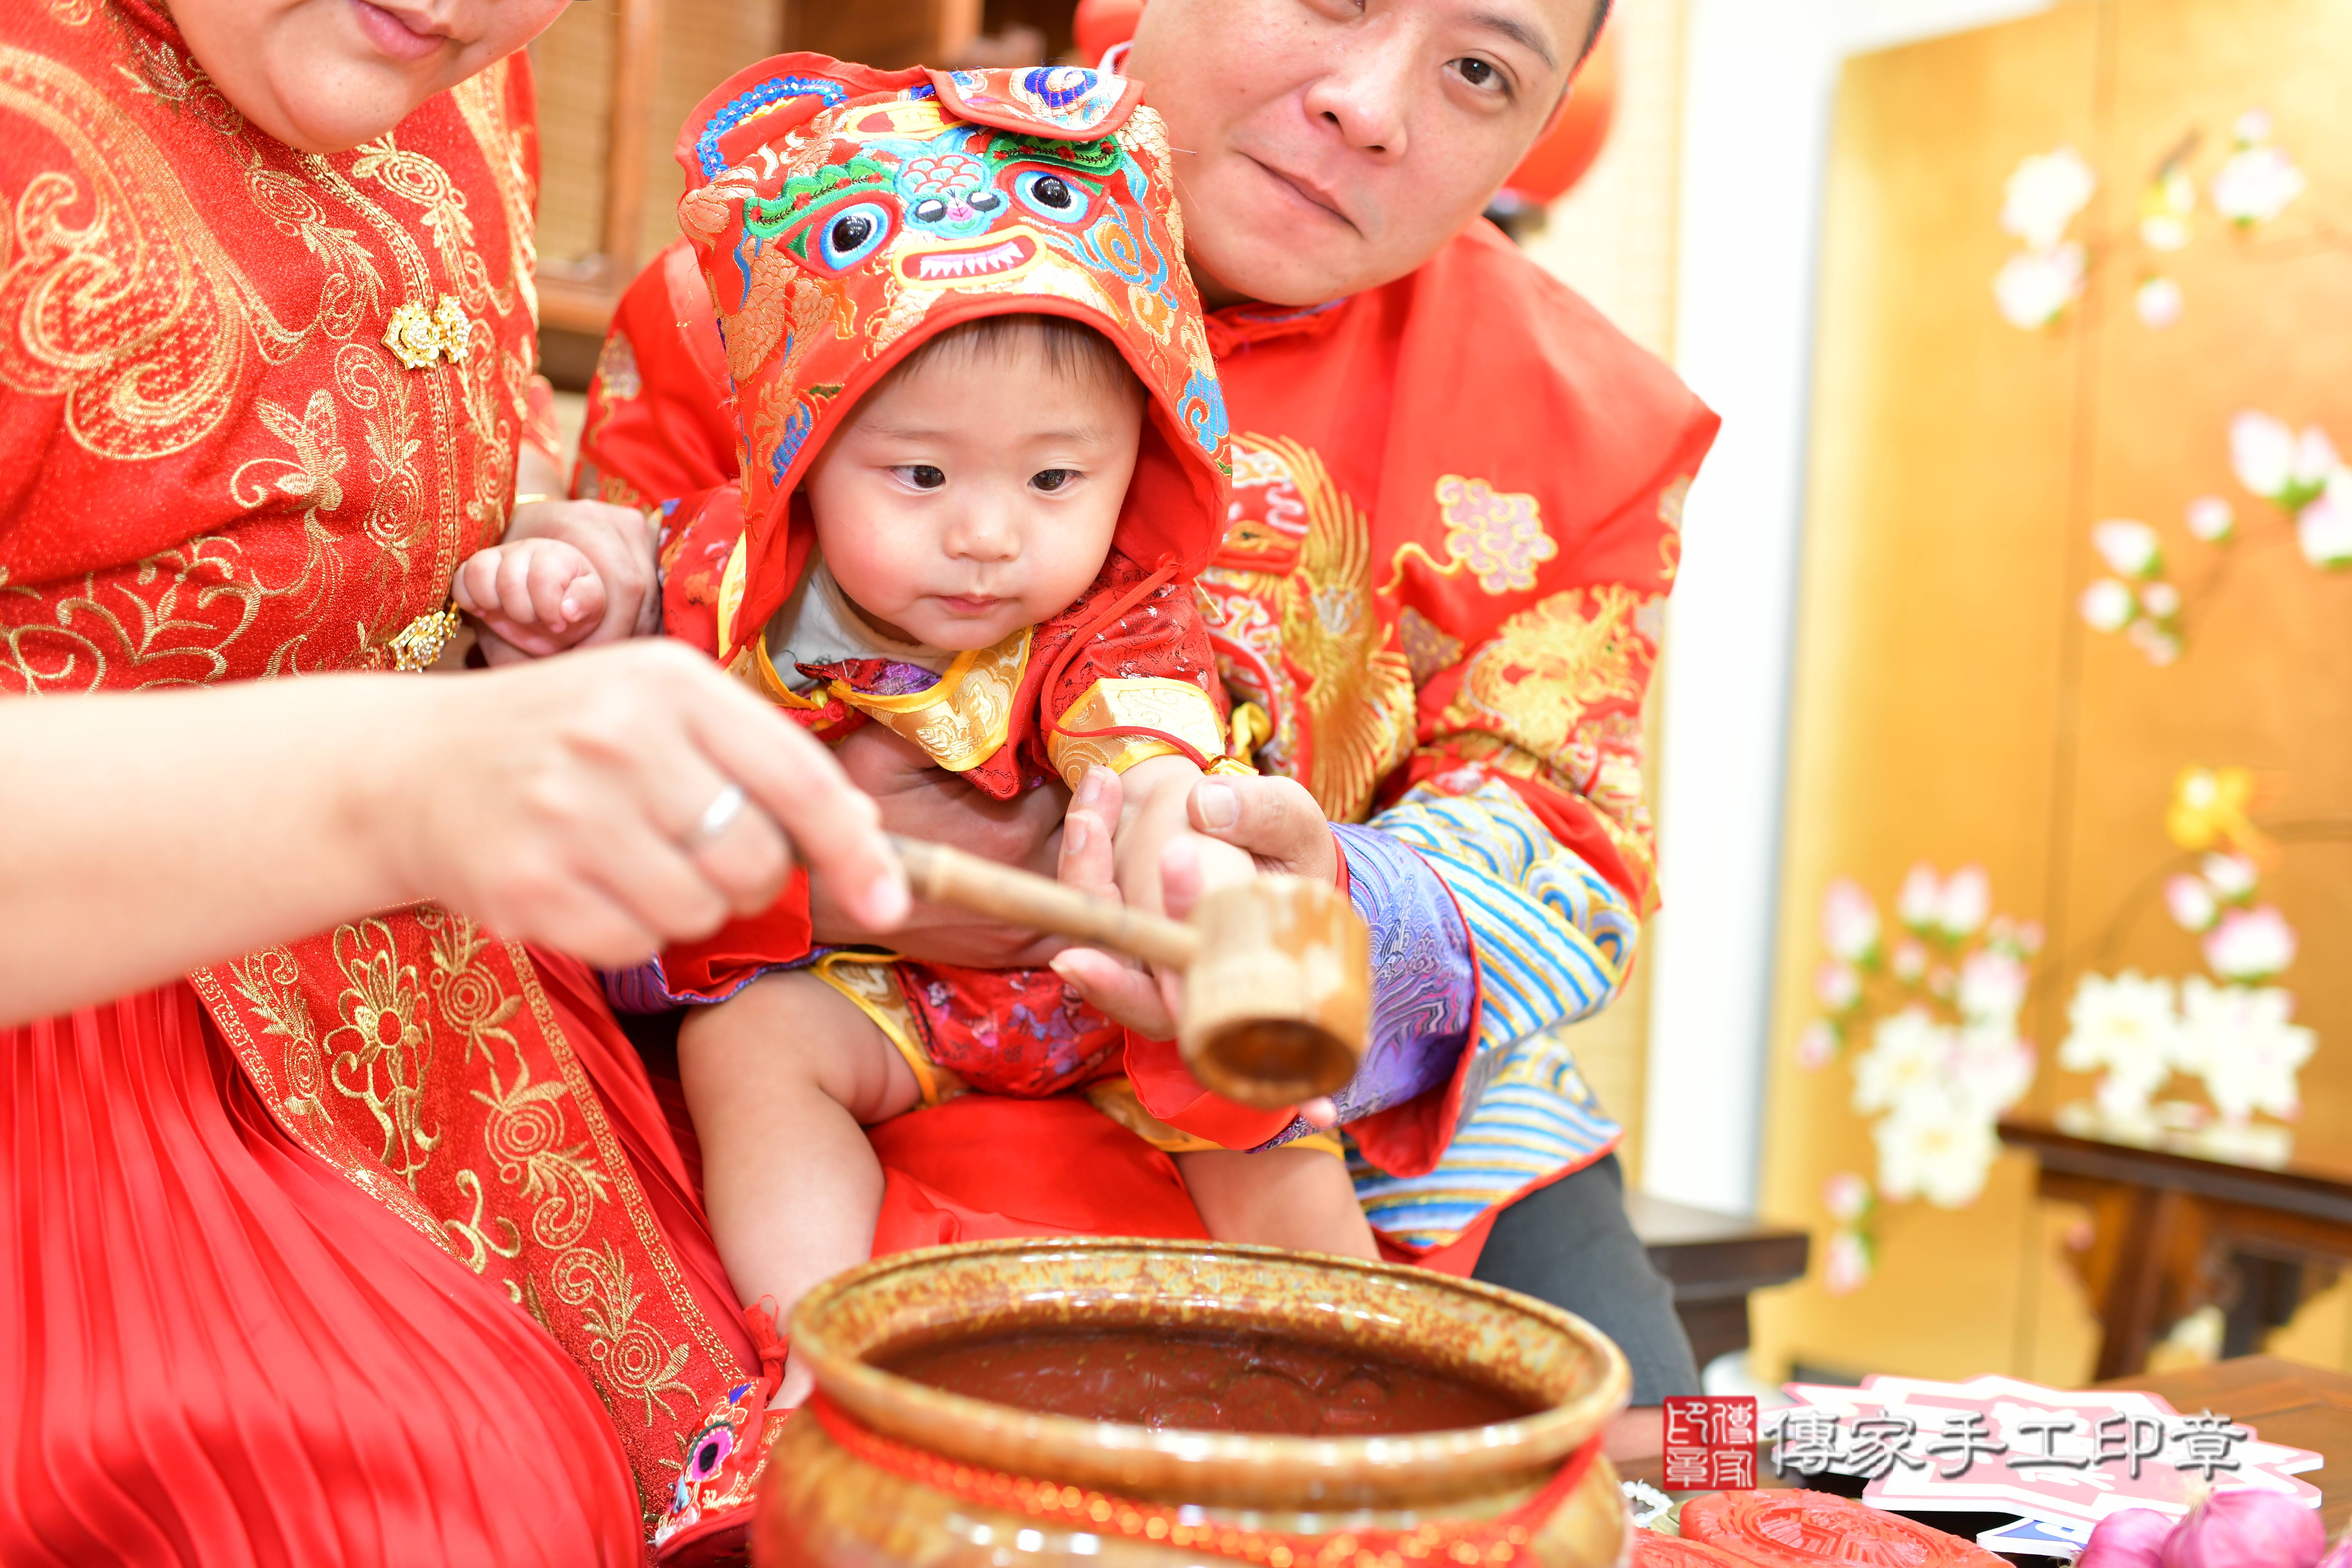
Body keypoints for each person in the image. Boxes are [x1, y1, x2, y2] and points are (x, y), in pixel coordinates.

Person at [572, 0, 1715, 1491]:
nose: (1372, 106)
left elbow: (1566, 845)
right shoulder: (812, 222)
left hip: (1336, 1139)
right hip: (802, 1058)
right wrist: (809, 879)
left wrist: (1331, 921)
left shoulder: (1584, 430)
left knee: (1690, 1475)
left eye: (1480, 71)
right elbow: (567, 715)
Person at [0, 1, 910, 1562]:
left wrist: (541, 560)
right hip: (87, 1078)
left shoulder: (414, 52)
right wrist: (411, 777)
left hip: (464, 1027)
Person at [457, 58, 1377, 1441]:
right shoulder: (730, 571)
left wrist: (1176, 849)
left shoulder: (1119, 618)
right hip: (886, 998)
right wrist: (567, 591)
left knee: (1265, 1123)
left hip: (1098, 1012)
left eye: (1056, 478)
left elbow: (1152, 752)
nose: (990, 535)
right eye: (922, 476)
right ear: (806, 454)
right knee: (753, 1045)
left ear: (1141, 466)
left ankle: (1373, 1387)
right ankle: (822, 1352)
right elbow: (630, 622)